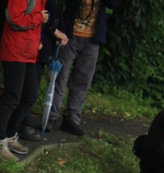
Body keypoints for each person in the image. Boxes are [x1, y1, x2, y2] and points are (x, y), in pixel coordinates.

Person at [0, 0, 49, 162]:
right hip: (14, 50)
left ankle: (9, 134)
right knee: (12, 96)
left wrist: (37, 41)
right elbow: (15, 19)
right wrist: (38, 18)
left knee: (30, 95)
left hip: (28, 51)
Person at [48, 0, 121, 137]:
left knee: (83, 80)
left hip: (92, 38)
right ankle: (50, 117)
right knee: (59, 77)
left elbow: (113, 3)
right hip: (70, 34)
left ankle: (72, 119)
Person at [18, 0, 69, 140]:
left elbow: (57, 16)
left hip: (45, 46)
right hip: (37, 45)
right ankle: (22, 123)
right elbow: (43, 17)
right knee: (29, 87)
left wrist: (62, 33)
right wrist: (55, 32)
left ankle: (22, 121)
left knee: (33, 84)